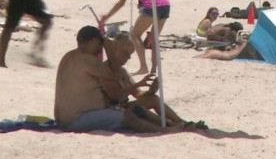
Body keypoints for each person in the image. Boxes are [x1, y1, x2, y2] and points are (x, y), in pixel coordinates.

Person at [54, 26, 196, 133]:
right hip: (75, 120)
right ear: (93, 41)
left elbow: (136, 92)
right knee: (127, 115)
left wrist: (150, 90)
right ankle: (166, 130)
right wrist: (109, 49)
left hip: (70, 118)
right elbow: (114, 80)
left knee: (147, 103)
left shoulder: (70, 57)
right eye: (100, 44)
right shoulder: (86, 60)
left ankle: (178, 123)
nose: (100, 49)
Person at [102, 32, 205, 129]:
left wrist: (151, 90)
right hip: (111, 111)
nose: (128, 57)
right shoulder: (104, 70)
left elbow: (138, 94)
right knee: (138, 109)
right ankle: (174, 125)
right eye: (125, 53)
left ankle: (182, 122)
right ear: (115, 51)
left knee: (153, 98)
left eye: (130, 54)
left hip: (124, 107)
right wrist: (138, 84)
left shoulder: (123, 72)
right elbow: (114, 95)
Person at [100, 0, 171, 75]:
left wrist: (106, 16)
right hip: (166, 4)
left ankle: (143, 67)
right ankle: (153, 70)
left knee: (135, 35)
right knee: (154, 37)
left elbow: (121, 3)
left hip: (151, 6)